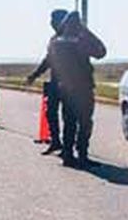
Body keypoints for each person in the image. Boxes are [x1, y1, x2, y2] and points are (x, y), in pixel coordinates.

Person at [45, 11, 107, 168]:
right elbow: (101, 51)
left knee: (69, 122)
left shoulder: (56, 41)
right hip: (83, 88)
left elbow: (50, 60)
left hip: (65, 88)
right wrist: (86, 31)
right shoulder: (80, 41)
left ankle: (68, 155)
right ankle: (82, 154)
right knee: (85, 122)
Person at [24, 9, 69, 154]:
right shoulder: (54, 39)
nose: (51, 23)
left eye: (54, 20)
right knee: (51, 113)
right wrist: (34, 75)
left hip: (70, 84)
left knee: (69, 116)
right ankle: (56, 141)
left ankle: (68, 147)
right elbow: (48, 60)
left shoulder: (71, 39)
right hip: (55, 82)